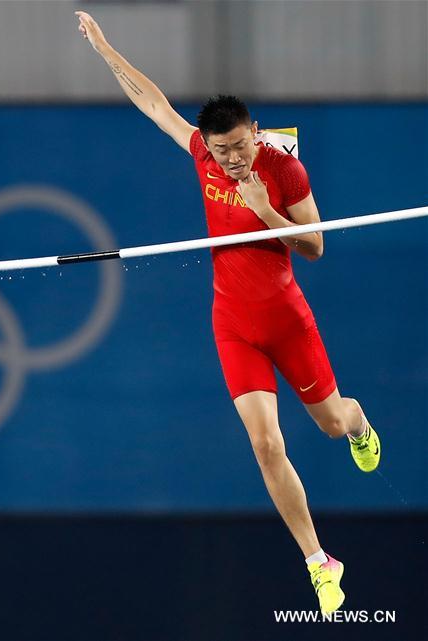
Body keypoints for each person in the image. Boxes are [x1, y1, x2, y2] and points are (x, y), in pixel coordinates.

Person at [75, 11, 380, 615]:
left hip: (288, 319)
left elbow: (316, 246)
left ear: (255, 132)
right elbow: (153, 102)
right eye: (223, 151)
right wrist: (106, 48)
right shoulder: (203, 155)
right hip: (233, 324)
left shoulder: (282, 167)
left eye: (241, 146)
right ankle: (321, 561)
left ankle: (360, 423)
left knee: (331, 425)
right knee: (266, 445)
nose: (235, 159)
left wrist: (266, 210)